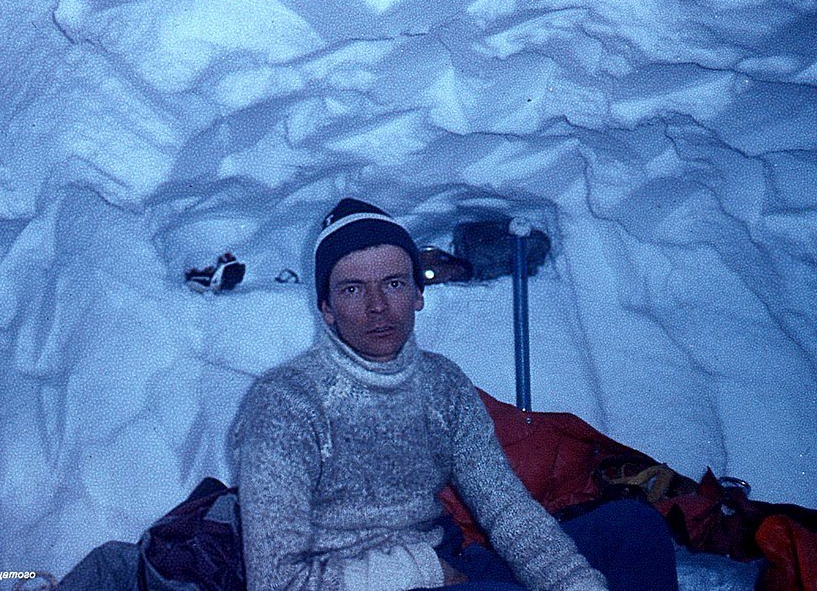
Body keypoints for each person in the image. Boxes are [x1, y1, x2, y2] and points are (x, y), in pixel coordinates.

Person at [230, 198, 678, 590]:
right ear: (326, 309)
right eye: (352, 289)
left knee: (634, 529)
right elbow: (278, 582)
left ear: (418, 294)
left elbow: (507, 510)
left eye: (393, 283)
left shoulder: (442, 384)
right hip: (364, 581)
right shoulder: (285, 404)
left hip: (453, 563)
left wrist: (575, 583)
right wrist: (420, 569)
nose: (377, 306)